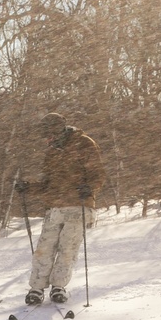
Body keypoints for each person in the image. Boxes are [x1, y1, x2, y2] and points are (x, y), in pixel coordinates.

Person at [16, 113, 106, 305]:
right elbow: (48, 184)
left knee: (68, 248)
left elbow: (97, 174)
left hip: (78, 205)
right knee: (44, 248)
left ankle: (59, 286)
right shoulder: (52, 152)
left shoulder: (84, 144)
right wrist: (29, 187)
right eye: (45, 135)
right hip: (54, 206)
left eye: (49, 134)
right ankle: (36, 288)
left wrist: (89, 188)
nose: (47, 139)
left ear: (59, 130)